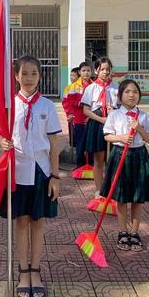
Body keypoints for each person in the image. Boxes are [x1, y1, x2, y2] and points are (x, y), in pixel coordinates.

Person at [0, 55, 62, 297]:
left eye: (34, 73)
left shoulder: (47, 106)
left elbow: (54, 143)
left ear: (40, 76)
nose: (29, 78)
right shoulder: (9, 105)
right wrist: (1, 142)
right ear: (16, 76)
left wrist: (56, 176)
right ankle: (23, 271)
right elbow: (3, 135)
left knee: (38, 222)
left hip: (41, 171)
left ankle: (36, 270)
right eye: (24, 73)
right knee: (22, 222)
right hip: (17, 170)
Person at [101, 79, 149, 252]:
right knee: (122, 197)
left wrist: (139, 128)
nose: (131, 95)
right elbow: (107, 136)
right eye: (127, 92)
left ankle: (134, 232)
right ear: (120, 95)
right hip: (120, 156)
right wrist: (121, 138)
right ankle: (123, 231)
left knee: (138, 198)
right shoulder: (115, 115)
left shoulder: (144, 116)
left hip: (139, 156)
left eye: (135, 92)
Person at [81, 57, 119, 198]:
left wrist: (112, 114)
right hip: (97, 125)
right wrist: (102, 119)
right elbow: (86, 110)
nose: (105, 72)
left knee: (112, 159)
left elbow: (121, 108)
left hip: (113, 125)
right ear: (96, 70)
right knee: (98, 159)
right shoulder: (91, 88)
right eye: (102, 69)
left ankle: (111, 189)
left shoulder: (116, 88)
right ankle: (99, 190)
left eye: (107, 69)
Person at [63, 62, 93, 167]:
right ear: (80, 72)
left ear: (91, 71)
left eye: (88, 71)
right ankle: (80, 165)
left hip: (92, 119)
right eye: (84, 71)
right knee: (80, 143)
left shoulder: (94, 86)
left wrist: (91, 115)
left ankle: (91, 165)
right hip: (79, 119)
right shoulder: (73, 87)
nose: (86, 73)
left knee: (91, 143)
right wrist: (70, 113)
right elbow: (69, 102)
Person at [62, 67, 79, 150]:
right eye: (70, 75)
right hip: (71, 116)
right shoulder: (68, 88)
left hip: (80, 116)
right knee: (72, 134)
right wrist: (69, 113)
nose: (71, 77)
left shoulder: (83, 87)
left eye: (73, 75)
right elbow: (65, 103)